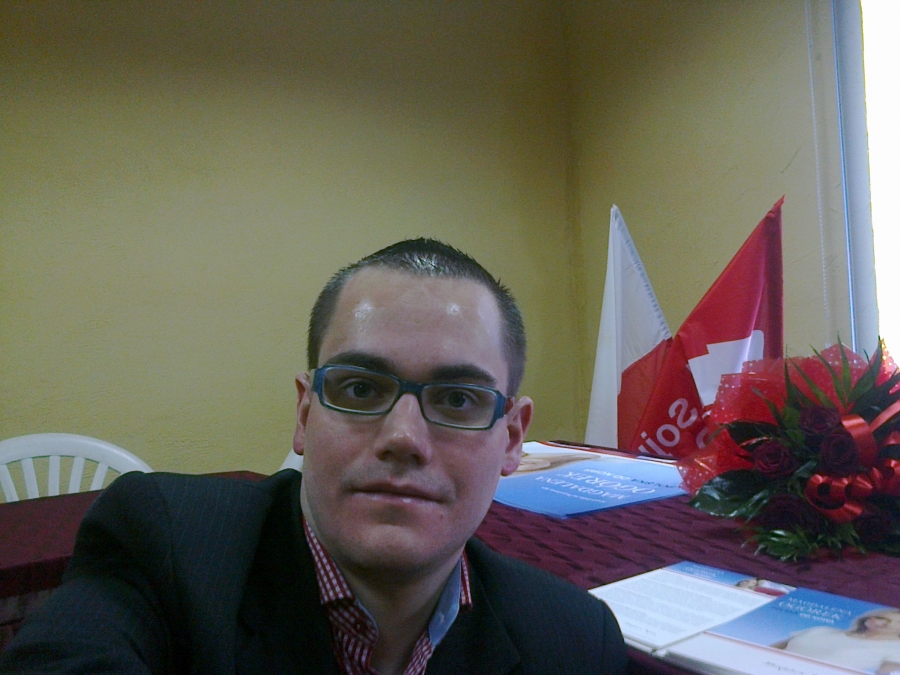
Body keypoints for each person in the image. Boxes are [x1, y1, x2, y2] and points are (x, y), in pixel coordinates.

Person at [0, 238, 627, 674]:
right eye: (360, 389)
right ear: (305, 414)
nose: (404, 437)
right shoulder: (163, 546)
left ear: (512, 438)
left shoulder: (573, 641)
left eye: (458, 399)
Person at [778, 609, 900, 674]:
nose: (888, 625)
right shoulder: (822, 630)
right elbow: (773, 648)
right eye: (883, 618)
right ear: (870, 618)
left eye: (898, 623)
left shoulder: (895, 648)